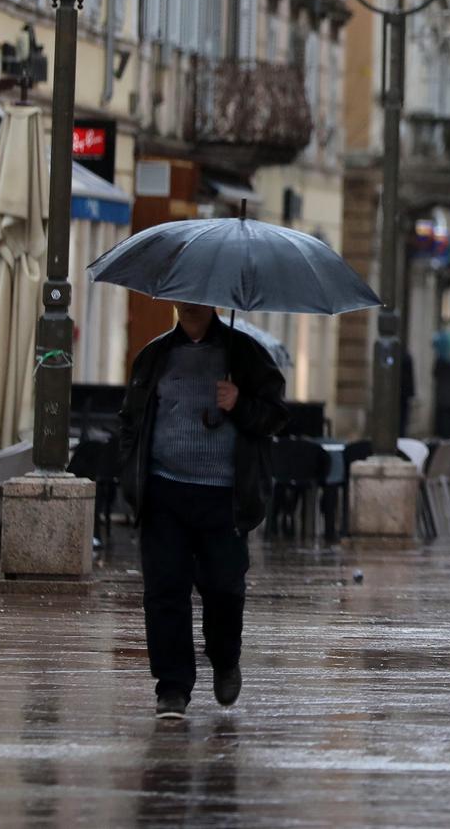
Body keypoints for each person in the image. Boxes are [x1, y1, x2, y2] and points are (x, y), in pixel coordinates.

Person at [119, 302, 288, 720]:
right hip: (164, 493)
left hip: (224, 497)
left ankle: (225, 659)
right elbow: (131, 420)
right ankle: (172, 687)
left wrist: (240, 402)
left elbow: (276, 418)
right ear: (174, 298)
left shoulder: (248, 354)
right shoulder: (154, 354)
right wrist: (130, 479)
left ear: (215, 299)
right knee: (164, 591)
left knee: (224, 589)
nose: (192, 301)